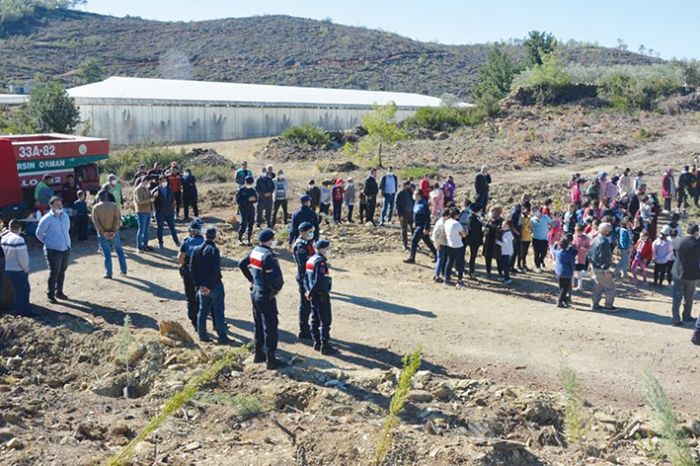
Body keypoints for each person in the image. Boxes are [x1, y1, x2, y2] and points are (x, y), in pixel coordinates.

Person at [239, 229, 285, 368]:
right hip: (265, 294)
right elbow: (277, 278)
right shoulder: (268, 255)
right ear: (270, 240)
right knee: (270, 326)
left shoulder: (255, 251)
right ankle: (271, 359)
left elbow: (242, 264)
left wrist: (252, 280)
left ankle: (258, 354)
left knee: (258, 324)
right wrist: (275, 290)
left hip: (255, 292)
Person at [190, 227, 230, 344]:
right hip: (214, 285)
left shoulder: (196, 249)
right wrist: (209, 286)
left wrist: (199, 285)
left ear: (204, 235)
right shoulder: (214, 250)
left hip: (202, 286)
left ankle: (202, 336)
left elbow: (192, 269)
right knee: (218, 311)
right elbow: (215, 271)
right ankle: (222, 336)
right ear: (215, 236)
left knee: (202, 311)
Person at [304, 239, 337, 354]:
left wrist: (308, 292)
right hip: (321, 295)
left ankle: (317, 343)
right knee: (325, 321)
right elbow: (319, 282)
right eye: (327, 248)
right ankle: (325, 346)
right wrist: (312, 293)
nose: (328, 250)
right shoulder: (320, 262)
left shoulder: (310, 260)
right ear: (322, 249)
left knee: (315, 319)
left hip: (313, 295)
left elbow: (305, 279)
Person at [35, 196, 71, 303]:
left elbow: (67, 229)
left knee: (62, 271)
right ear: (51, 206)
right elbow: (39, 234)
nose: (59, 206)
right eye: (57, 204)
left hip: (65, 248)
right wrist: (49, 242)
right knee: (54, 272)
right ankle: (50, 294)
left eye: (60, 204)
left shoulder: (65, 216)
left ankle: (59, 291)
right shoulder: (46, 219)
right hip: (53, 250)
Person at [92, 190, 128, 279]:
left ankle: (109, 273)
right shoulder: (114, 206)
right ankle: (123, 270)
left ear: (99, 198)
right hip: (114, 233)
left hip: (102, 233)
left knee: (107, 253)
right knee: (119, 251)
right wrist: (114, 231)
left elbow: (96, 222)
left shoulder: (96, 207)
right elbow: (118, 219)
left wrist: (103, 231)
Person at [670, 224, 700, 327]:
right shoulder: (697, 243)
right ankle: (687, 315)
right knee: (689, 297)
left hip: (678, 273)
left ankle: (675, 318)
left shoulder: (679, 241)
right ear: (696, 232)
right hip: (692, 274)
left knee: (677, 297)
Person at [178, 219, 205, 329]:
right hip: (201, 272)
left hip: (188, 271)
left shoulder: (187, 242)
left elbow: (180, 257)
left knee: (190, 295)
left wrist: (182, 266)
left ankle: (193, 318)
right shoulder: (204, 242)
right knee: (201, 294)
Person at [1, 220, 30, 315]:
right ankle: (22, 311)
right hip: (18, 269)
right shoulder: (18, 239)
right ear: (20, 228)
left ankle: (19, 311)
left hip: (8, 268)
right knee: (23, 290)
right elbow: (22, 257)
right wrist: (26, 268)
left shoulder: (4, 238)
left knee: (17, 291)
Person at [292, 222, 315, 340]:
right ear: (302, 232)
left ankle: (307, 328)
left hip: (310, 276)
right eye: (309, 231)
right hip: (304, 277)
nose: (312, 234)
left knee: (309, 304)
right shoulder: (300, 246)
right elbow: (303, 265)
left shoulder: (308, 242)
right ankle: (303, 330)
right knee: (305, 305)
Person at [588, 222, 617, 311]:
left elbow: (589, 253)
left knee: (598, 286)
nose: (611, 231)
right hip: (601, 268)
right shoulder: (604, 242)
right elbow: (604, 257)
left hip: (594, 266)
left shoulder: (594, 239)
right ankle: (608, 306)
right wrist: (606, 269)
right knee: (610, 287)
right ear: (606, 231)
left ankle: (595, 304)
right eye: (609, 230)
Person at [404, 190, 437, 264]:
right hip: (417, 225)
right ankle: (437, 255)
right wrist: (414, 222)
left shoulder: (424, 205)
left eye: (415, 195)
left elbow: (427, 218)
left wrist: (426, 228)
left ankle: (412, 258)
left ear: (419, 195)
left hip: (421, 226)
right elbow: (415, 213)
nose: (414, 196)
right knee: (427, 242)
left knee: (414, 241)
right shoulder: (416, 203)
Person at [152, 175, 180, 248]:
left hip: (169, 212)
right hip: (160, 212)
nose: (165, 182)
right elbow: (151, 201)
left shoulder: (170, 189)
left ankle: (176, 241)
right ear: (159, 182)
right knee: (160, 228)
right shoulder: (155, 190)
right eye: (163, 181)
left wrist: (173, 209)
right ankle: (160, 243)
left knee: (172, 227)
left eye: (165, 181)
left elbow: (172, 200)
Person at [443, 208, 467, 287]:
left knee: (449, 262)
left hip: (449, 244)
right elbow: (463, 235)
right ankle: (459, 281)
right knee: (460, 263)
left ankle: (446, 279)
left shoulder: (447, 222)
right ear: (456, 215)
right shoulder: (457, 223)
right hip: (458, 245)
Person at [552, 237, 576, 308]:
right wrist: (573, 270)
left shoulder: (558, 253)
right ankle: (559, 302)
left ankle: (564, 301)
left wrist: (555, 244)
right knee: (565, 289)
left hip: (559, 273)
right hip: (567, 274)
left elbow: (553, 250)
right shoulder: (569, 255)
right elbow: (572, 264)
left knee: (561, 287)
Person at [133, 177, 155, 252]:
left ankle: (145, 245)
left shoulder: (146, 188)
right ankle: (138, 246)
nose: (150, 183)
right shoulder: (138, 189)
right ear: (145, 181)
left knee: (147, 230)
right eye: (149, 181)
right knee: (141, 229)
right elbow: (139, 201)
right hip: (141, 211)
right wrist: (150, 200)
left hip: (148, 211)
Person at [482, 206, 503, 277]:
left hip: (496, 242)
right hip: (488, 241)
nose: (490, 213)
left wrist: (491, 226)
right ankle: (488, 272)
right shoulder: (489, 220)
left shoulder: (501, 221)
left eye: (491, 211)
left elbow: (500, 230)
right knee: (488, 257)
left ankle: (500, 272)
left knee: (499, 259)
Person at [236, 176, 257, 245]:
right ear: (245, 182)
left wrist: (254, 199)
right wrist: (248, 200)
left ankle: (249, 239)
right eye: (248, 183)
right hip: (243, 208)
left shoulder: (252, 190)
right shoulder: (241, 190)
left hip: (251, 208)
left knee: (251, 223)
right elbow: (238, 201)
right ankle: (239, 238)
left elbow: (256, 199)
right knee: (244, 223)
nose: (249, 184)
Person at [530, 208, 552, 273]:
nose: (535, 213)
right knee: (536, 253)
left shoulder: (545, 217)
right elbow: (530, 228)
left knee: (544, 252)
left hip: (545, 238)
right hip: (536, 239)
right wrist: (531, 233)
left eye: (536, 212)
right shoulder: (532, 219)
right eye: (533, 212)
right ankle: (537, 266)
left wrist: (550, 229)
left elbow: (551, 223)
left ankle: (540, 261)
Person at [431, 210, 450, 282]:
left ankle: (439, 274)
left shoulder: (441, 221)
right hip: (440, 243)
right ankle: (437, 275)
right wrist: (437, 244)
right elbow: (437, 235)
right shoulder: (442, 224)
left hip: (441, 242)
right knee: (440, 259)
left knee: (441, 259)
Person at [396, 182, 415, 251]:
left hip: (411, 213)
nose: (409, 187)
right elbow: (397, 205)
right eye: (408, 186)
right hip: (404, 214)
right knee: (404, 230)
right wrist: (400, 215)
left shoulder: (410, 193)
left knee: (413, 229)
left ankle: (415, 243)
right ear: (405, 185)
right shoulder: (400, 193)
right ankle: (405, 245)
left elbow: (414, 201)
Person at [466, 205, 484, 277]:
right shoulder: (472, 218)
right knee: (473, 256)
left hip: (474, 240)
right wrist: (482, 231)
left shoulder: (475, 217)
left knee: (473, 256)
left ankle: (472, 271)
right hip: (474, 240)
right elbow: (473, 230)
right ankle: (471, 272)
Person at [572, 224, 591, 290]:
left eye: (578, 231)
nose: (577, 232)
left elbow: (589, 247)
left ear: (582, 231)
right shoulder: (573, 236)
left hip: (581, 258)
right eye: (576, 231)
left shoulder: (586, 238)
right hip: (573, 258)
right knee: (572, 272)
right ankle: (572, 284)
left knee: (579, 273)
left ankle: (580, 286)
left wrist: (585, 249)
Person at [496, 220, 514, 285]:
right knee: (504, 265)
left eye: (504, 225)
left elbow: (505, 244)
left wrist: (497, 242)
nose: (502, 226)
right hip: (505, 251)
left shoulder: (508, 234)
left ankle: (507, 278)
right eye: (502, 225)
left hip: (507, 252)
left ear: (509, 226)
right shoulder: (506, 232)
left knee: (505, 266)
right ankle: (504, 277)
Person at [518, 207, 532, 271]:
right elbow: (523, 227)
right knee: (521, 252)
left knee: (525, 252)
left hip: (528, 237)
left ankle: (524, 264)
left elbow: (530, 228)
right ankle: (519, 265)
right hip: (522, 237)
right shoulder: (521, 219)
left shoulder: (529, 219)